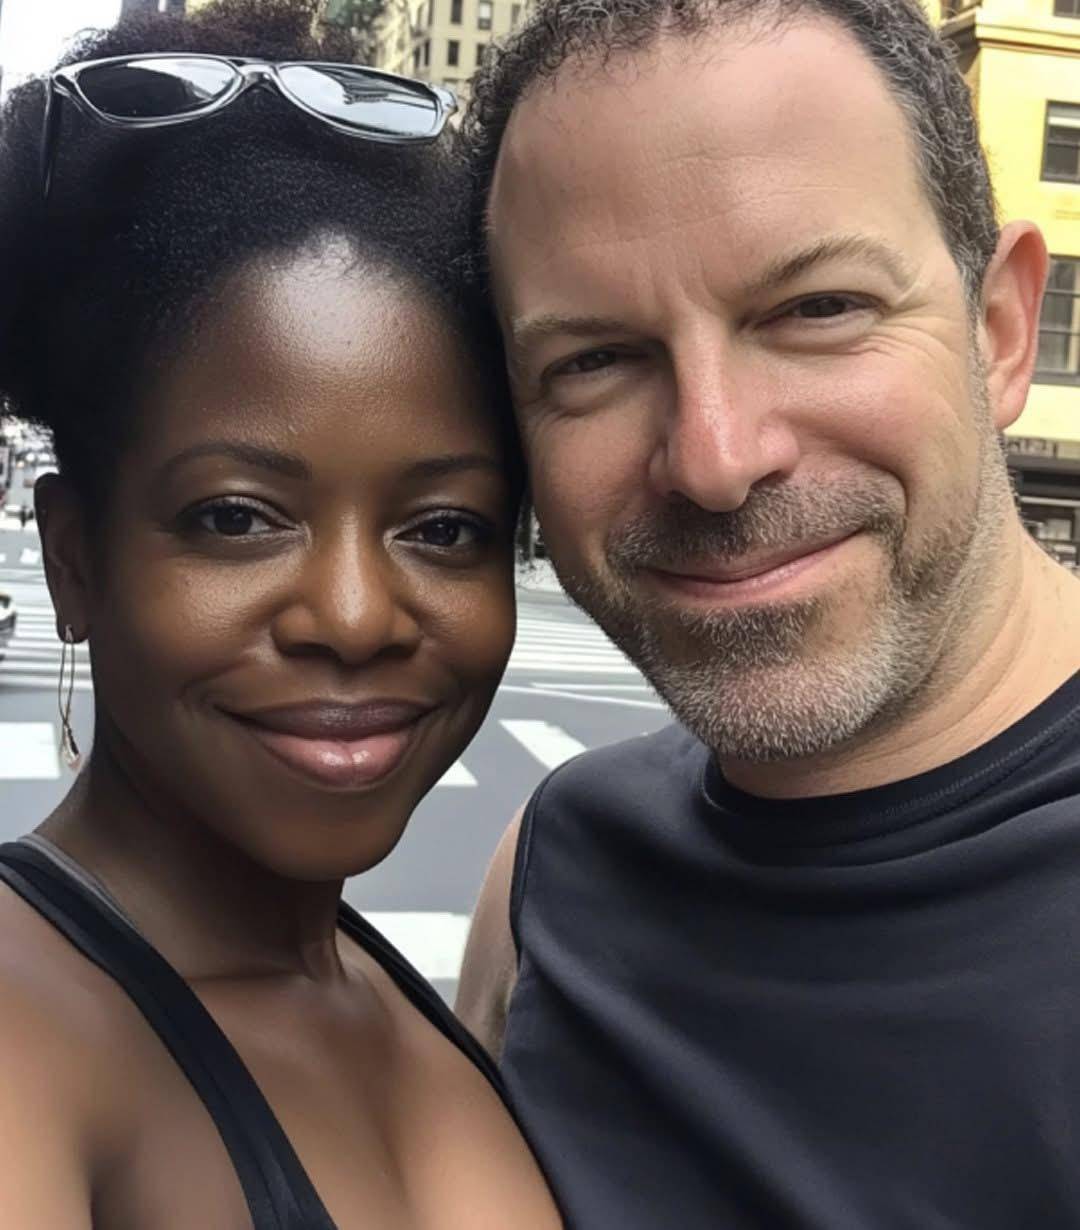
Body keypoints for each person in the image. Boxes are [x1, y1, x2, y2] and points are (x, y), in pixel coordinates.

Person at [456, 0, 1080, 1226]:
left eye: (818, 309)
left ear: (1000, 331)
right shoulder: (551, 876)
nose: (714, 458)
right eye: (593, 362)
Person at [0, 3, 562, 1226]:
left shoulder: (397, 993)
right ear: (74, 557)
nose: (354, 616)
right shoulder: (22, 1043)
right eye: (237, 518)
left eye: (444, 528)